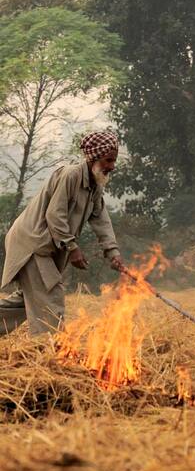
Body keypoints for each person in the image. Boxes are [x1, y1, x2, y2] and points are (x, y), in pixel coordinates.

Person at [0, 131, 124, 336]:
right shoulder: (70, 175)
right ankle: (48, 350)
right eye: (108, 160)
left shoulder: (96, 184)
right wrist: (72, 247)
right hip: (33, 243)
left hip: (44, 246)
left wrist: (113, 252)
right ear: (93, 157)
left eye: (114, 161)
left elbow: (101, 219)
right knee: (50, 294)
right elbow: (54, 215)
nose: (112, 166)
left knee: (27, 301)